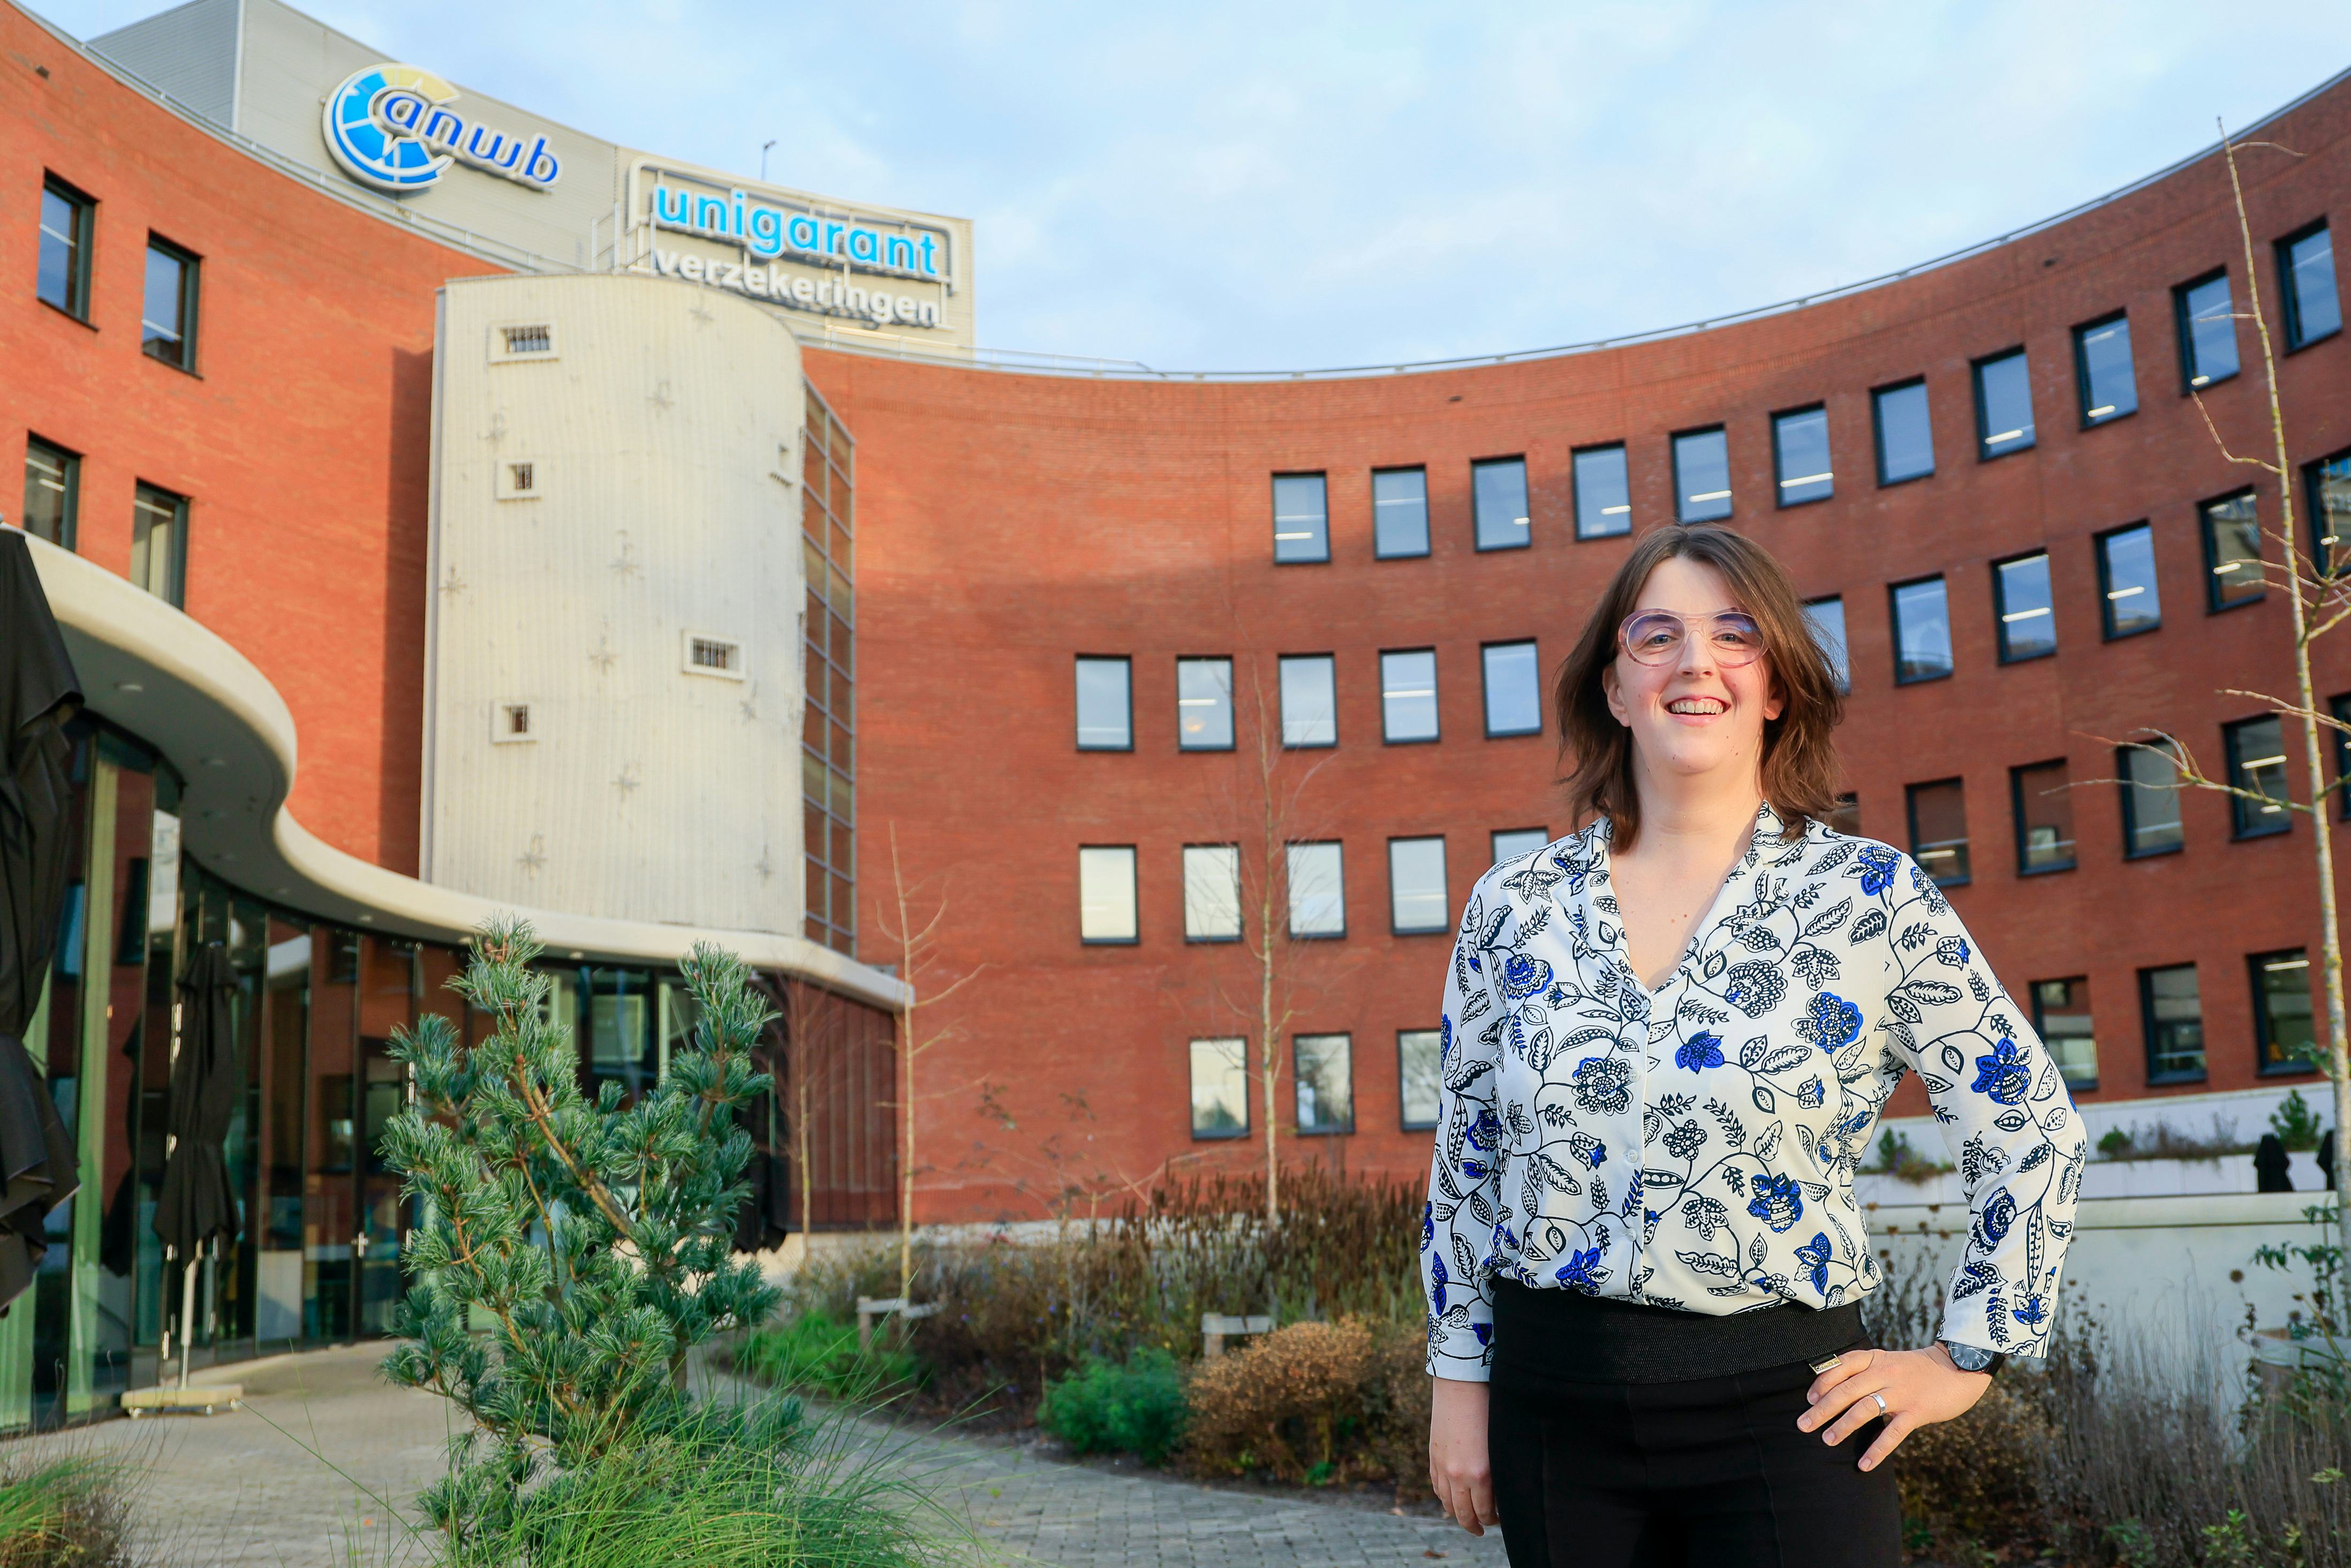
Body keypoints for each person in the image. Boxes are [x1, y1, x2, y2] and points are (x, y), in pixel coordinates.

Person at [1420, 525, 2087, 1567]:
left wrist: (1967, 1355)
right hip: (1559, 1415)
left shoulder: (1871, 898)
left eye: (1736, 634)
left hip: (1794, 1418)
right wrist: (1460, 1382)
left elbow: (2031, 1129)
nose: (1697, 662)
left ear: (1775, 687)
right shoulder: (1514, 906)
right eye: (1658, 636)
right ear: (1613, 685)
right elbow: (1469, 1161)